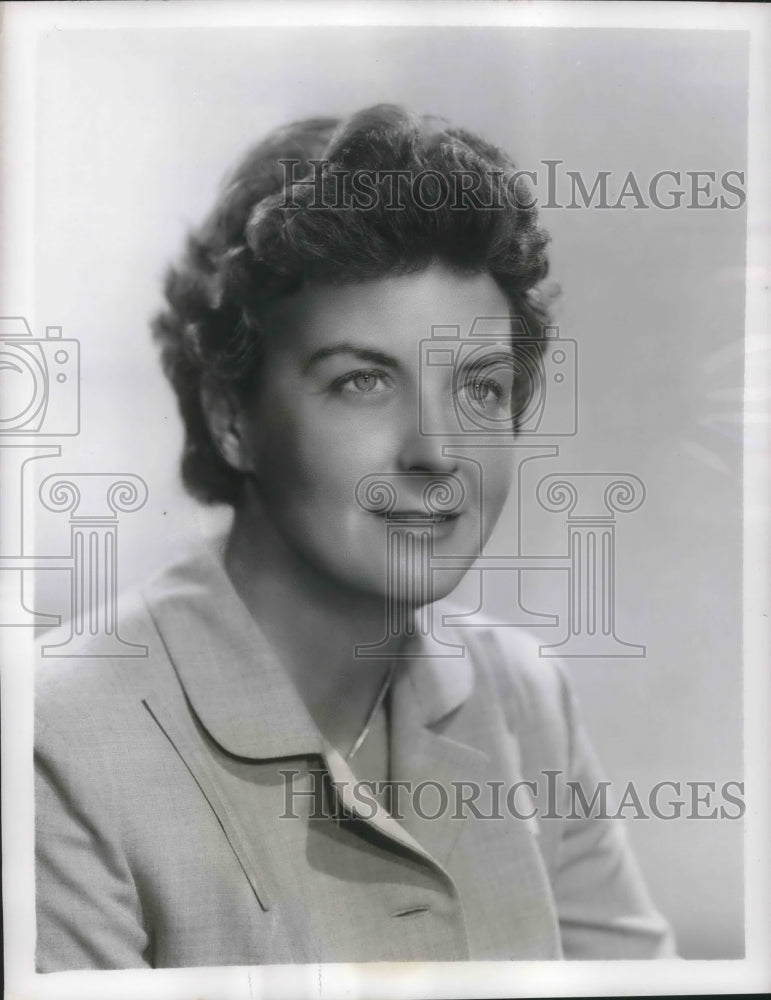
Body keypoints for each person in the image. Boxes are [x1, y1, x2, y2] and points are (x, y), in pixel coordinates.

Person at [35, 104, 675, 968]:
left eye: (480, 387)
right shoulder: (57, 742)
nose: (437, 451)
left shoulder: (521, 698)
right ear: (230, 418)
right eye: (363, 380)